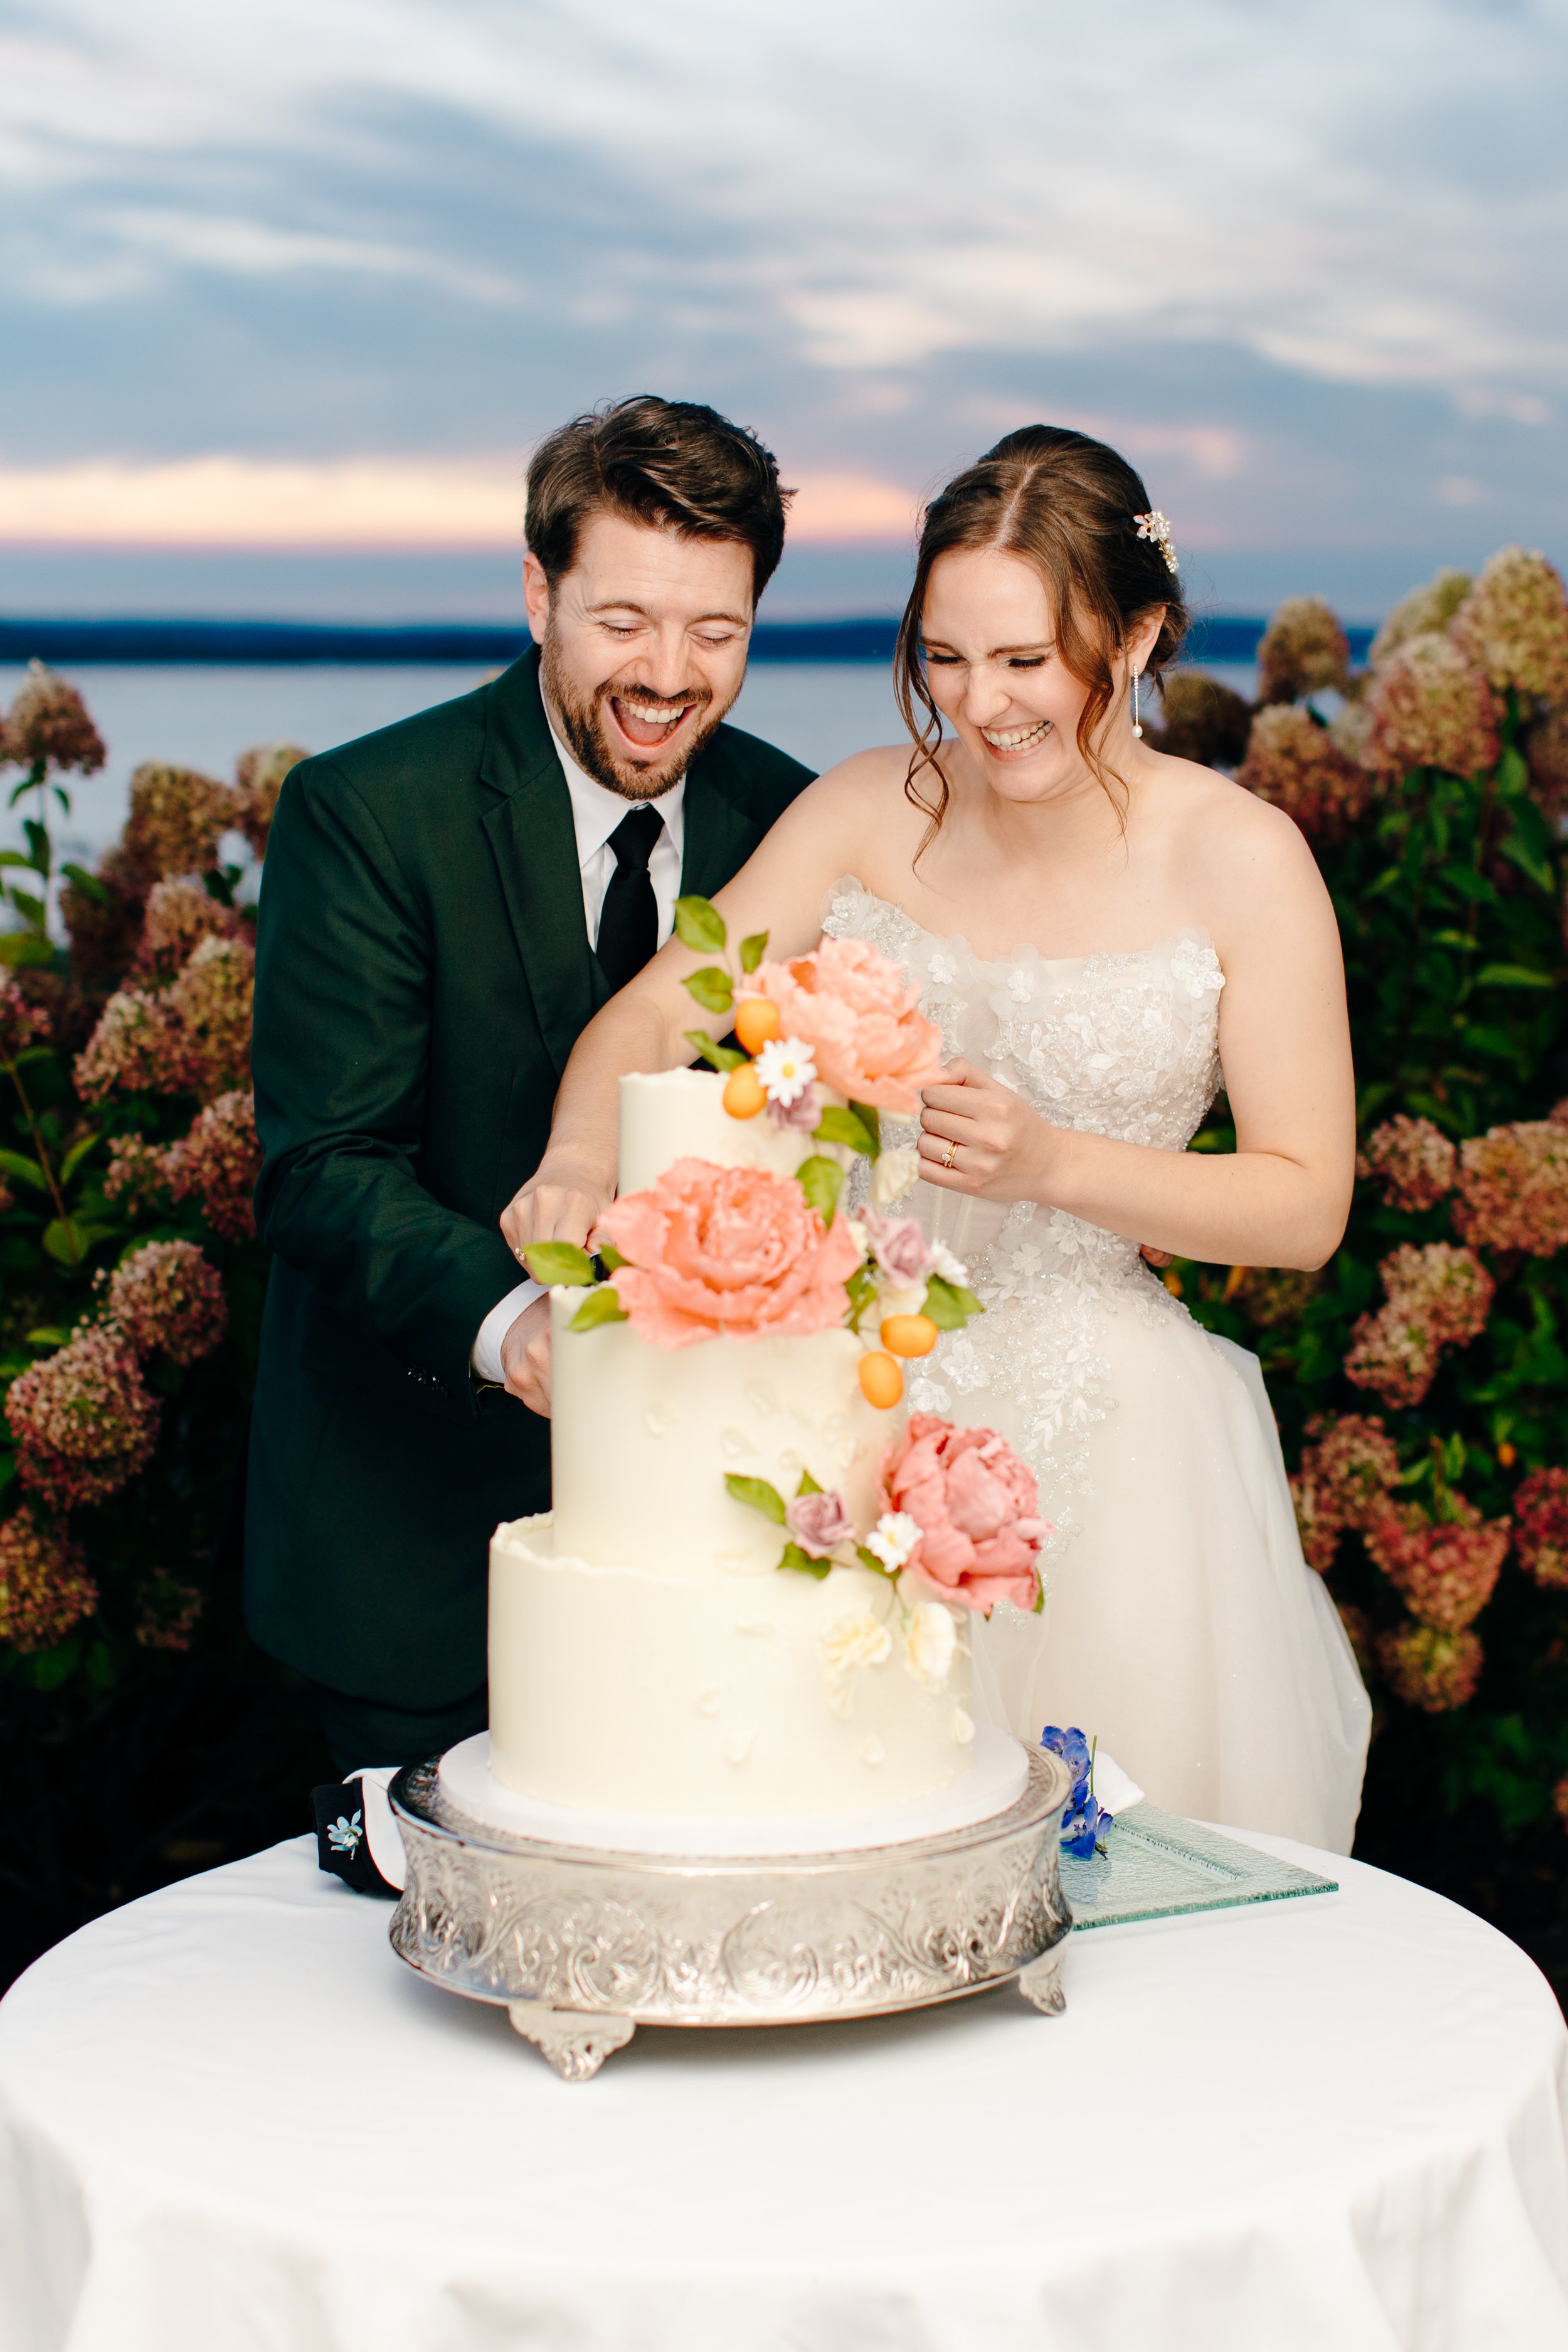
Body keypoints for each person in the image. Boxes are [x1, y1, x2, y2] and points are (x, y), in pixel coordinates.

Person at [507, 425, 1372, 1853]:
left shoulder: (1241, 857)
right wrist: (578, 1165)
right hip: (842, 1414)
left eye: (1026, 662)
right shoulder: (860, 813)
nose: (979, 706)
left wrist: (1054, 1168)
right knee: (819, 1838)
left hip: (1116, 1446)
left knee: (1101, 1888)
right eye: (945, 658)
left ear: (1139, 631)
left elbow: (1302, 1205)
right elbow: (659, 1014)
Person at [246, 396, 814, 1772]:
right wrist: (518, 1330)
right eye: (622, 620)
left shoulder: (794, 824)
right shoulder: (367, 813)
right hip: (416, 1564)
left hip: (724, 1574)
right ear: (537, 596)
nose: (668, 673)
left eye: (715, 631)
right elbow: (323, 1171)